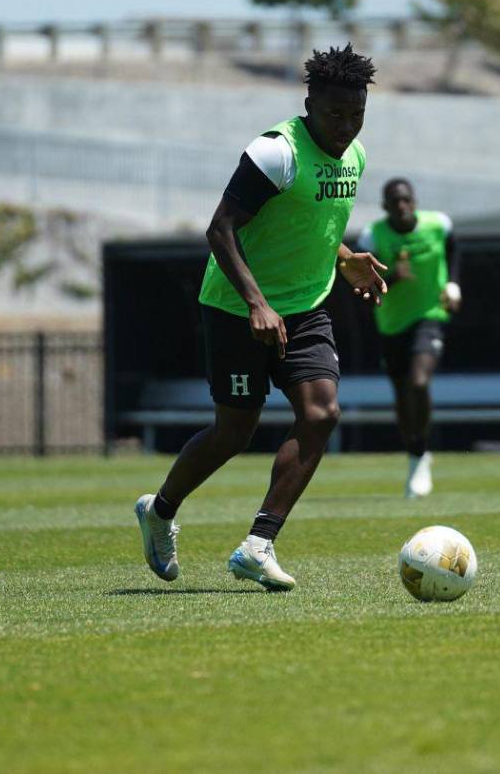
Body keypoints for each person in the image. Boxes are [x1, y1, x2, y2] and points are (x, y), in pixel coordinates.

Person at [135, 45, 387, 591]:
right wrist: (256, 303)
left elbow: (310, 222)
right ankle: (160, 510)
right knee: (234, 432)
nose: (345, 126)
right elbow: (220, 229)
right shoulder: (276, 152)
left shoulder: (356, 157)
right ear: (309, 102)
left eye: (356, 114)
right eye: (334, 114)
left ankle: (258, 544)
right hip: (234, 306)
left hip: (305, 308)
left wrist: (346, 260)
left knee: (321, 414)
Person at [359, 178, 461, 497]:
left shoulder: (438, 225)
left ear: (414, 201)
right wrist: (392, 277)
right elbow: (362, 283)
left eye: (406, 200)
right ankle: (415, 454)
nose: (402, 206)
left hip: (429, 315)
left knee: (419, 382)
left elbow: (454, 251)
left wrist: (453, 286)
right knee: (403, 395)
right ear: (385, 207)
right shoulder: (372, 236)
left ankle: (421, 453)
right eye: (394, 201)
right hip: (391, 324)